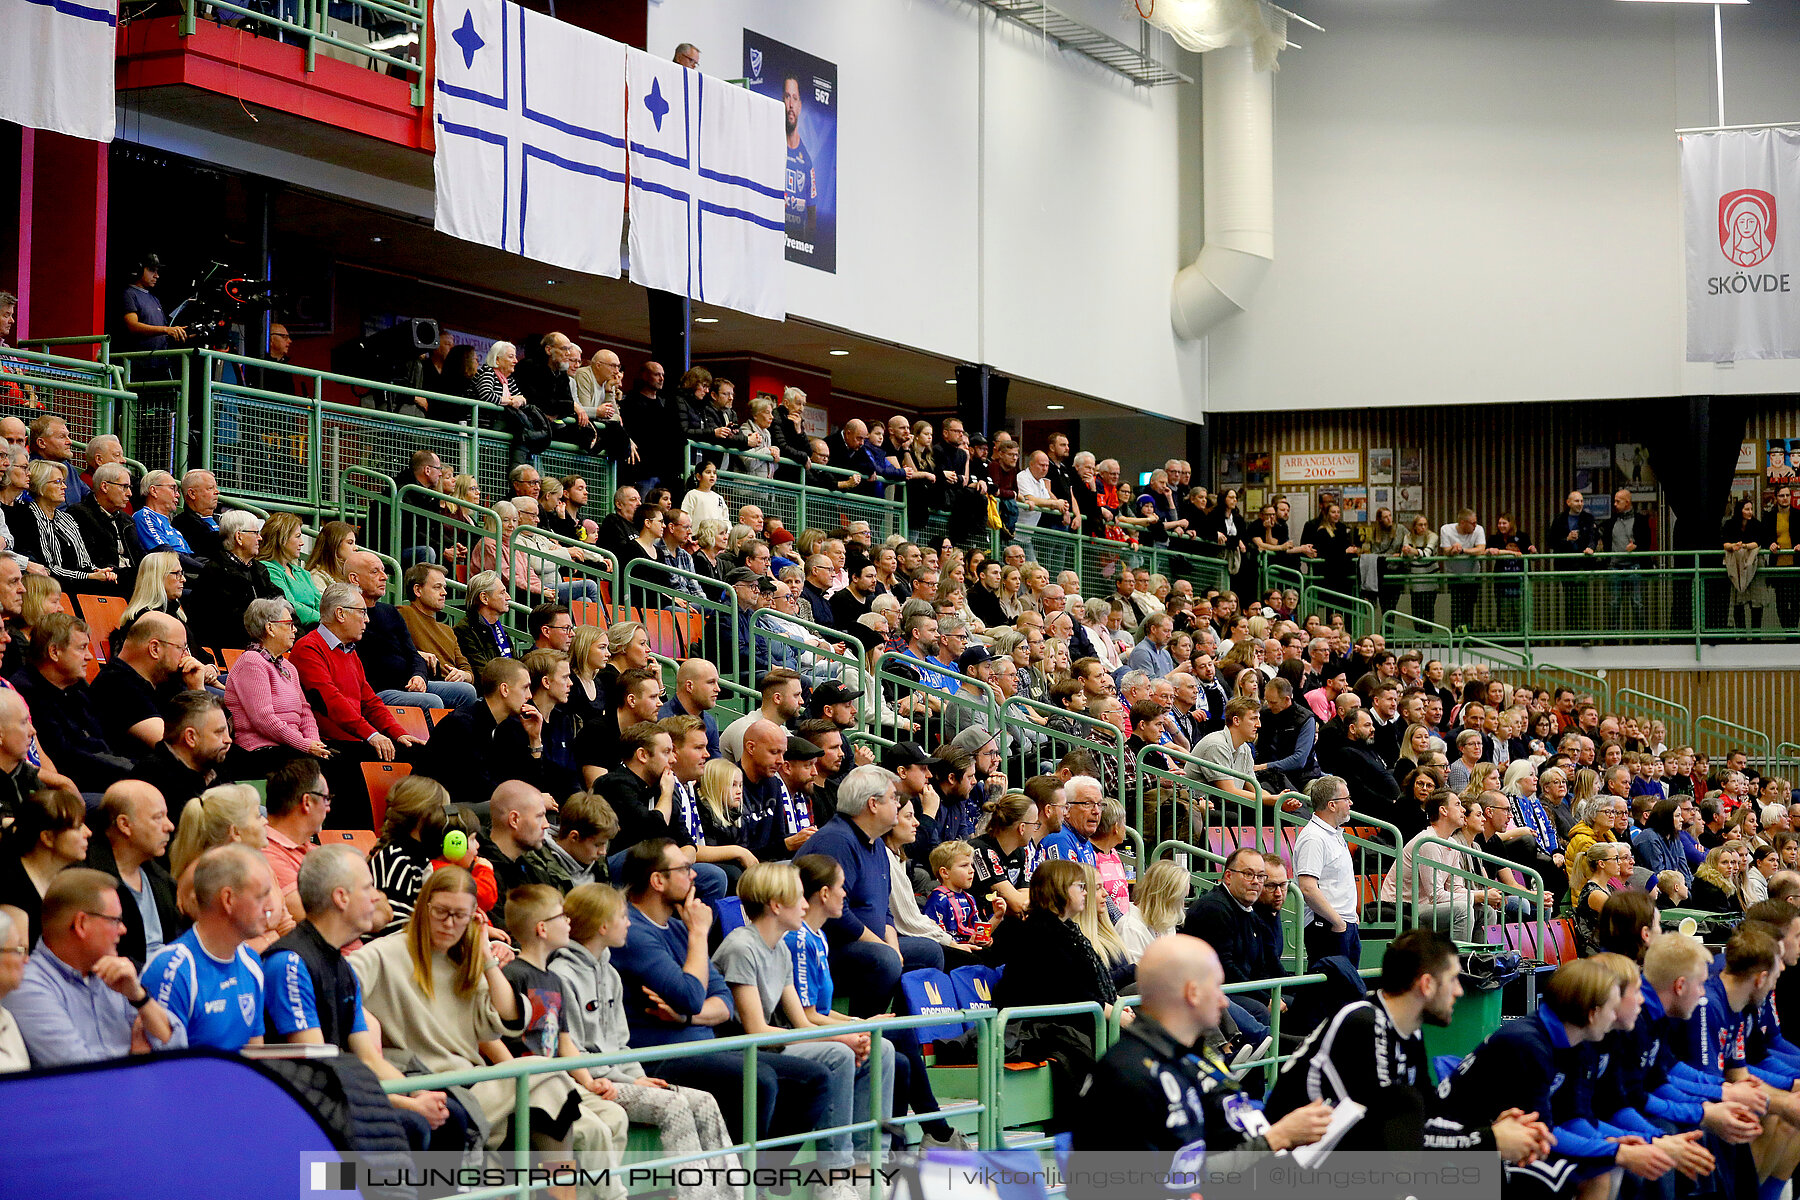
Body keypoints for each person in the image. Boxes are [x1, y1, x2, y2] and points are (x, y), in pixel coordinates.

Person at [1069, 935, 1334, 1194]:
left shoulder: (1193, 1057)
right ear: (1193, 993)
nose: (1224, 1000)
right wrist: (1277, 1138)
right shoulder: (1126, 1074)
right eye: (1217, 987)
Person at [607, 839, 830, 1143]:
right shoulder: (635, 932)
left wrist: (687, 1017)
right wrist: (698, 935)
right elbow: (691, 996)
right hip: (661, 1056)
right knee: (760, 1081)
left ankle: (759, 1176)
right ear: (658, 880)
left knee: (814, 1078)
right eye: (684, 869)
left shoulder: (677, 926)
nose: (694, 874)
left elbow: (723, 1000)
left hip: (703, 1046)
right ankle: (741, 1178)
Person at [1266, 929, 1552, 1159]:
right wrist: (1490, 1139)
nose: (1460, 990)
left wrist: (1492, 1128)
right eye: (1453, 979)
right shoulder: (1363, 1023)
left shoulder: (1409, 1030)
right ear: (1426, 984)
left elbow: (1428, 1115)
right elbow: (1391, 1136)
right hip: (1293, 1163)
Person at [548, 882, 740, 1200]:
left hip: (624, 1077)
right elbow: (575, 1052)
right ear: (603, 926)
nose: (628, 923)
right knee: (674, 1106)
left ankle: (733, 1196)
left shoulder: (609, 972)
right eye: (623, 917)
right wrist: (629, 1081)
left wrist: (637, 1076)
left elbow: (621, 1043)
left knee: (704, 1101)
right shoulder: (561, 976)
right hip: (593, 1083)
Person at [713, 861, 896, 1175]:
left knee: (881, 1048)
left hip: (773, 1042)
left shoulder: (779, 949)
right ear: (775, 905)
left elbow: (803, 1022)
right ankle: (835, 1172)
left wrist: (857, 1031)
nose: (804, 905)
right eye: (798, 898)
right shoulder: (741, 948)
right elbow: (756, 1030)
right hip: (741, 1048)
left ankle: (869, 1164)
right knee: (838, 1054)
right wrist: (839, 1038)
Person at [7, 866, 184, 1065]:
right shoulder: (28, 986)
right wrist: (135, 1062)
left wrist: (139, 998)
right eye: (115, 920)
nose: (123, 929)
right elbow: (81, 1074)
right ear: (81, 924)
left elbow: (177, 1046)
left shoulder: (115, 974)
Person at [291, 583, 424, 826]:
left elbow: (370, 699)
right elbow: (332, 702)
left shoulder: (349, 651)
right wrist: (373, 735)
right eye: (361, 612)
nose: (367, 620)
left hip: (356, 740)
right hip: (330, 744)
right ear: (340, 614)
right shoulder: (309, 648)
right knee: (353, 773)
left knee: (421, 754)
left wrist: (398, 733)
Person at [141, 845, 276, 1051]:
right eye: (261, 896)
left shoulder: (251, 961)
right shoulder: (171, 969)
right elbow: (162, 1071)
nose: (270, 907)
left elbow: (254, 1058)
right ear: (228, 900)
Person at [345, 550, 477, 713]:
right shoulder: (347, 614)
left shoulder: (390, 611)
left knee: (466, 692)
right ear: (354, 579)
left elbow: (413, 654)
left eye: (383, 571)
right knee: (431, 701)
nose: (384, 576)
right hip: (379, 690)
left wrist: (419, 676)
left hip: (409, 682)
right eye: (375, 571)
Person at [221, 597, 330, 781]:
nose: (294, 629)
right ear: (270, 628)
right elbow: (264, 720)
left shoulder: (288, 667)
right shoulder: (252, 662)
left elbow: (305, 711)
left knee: (337, 763)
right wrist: (304, 745)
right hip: (261, 751)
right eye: (288, 624)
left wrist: (314, 743)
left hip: (290, 747)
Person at [1180, 846, 1288, 1027]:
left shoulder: (1248, 910)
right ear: (1229, 877)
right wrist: (1266, 999)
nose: (1256, 882)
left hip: (1239, 988)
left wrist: (1274, 995)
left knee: (1294, 1000)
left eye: (1261, 876)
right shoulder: (1215, 908)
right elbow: (1225, 969)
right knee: (1260, 1010)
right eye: (1248, 874)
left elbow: (1261, 967)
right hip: (1209, 989)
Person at [84, 780, 183, 965]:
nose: (169, 826)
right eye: (158, 817)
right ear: (125, 824)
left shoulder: (162, 880)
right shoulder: (87, 882)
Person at [90, 610, 208, 759]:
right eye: (181, 648)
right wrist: (197, 692)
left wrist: (196, 689)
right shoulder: (117, 685)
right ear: (155, 649)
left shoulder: (162, 683)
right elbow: (181, 749)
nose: (186, 657)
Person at [0, 787, 89, 948]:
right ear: (47, 837)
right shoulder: (10, 886)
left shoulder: (69, 878)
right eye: (77, 827)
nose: (88, 833)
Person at [1292, 774, 1361, 967]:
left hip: (1344, 925)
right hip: (1328, 927)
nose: (1351, 803)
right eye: (1346, 799)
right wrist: (1337, 922)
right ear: (1331, 805)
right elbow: (1307, 888)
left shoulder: (1333, 833)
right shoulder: (1314, 838)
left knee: (1348, 991)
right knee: (1332, 993)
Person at [189, 510, 279, 652]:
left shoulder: (260, 570)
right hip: (231, 650)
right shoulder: (215, 572)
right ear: (239, 537)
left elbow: (280, 604)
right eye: (255, 533)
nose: (260, 538)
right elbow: (227, 622)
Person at [454, 570, 515, 673]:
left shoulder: (500, 630)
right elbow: (482, 673)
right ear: (484, 598)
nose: (508, 597)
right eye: (502, 593)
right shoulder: (464, 631)